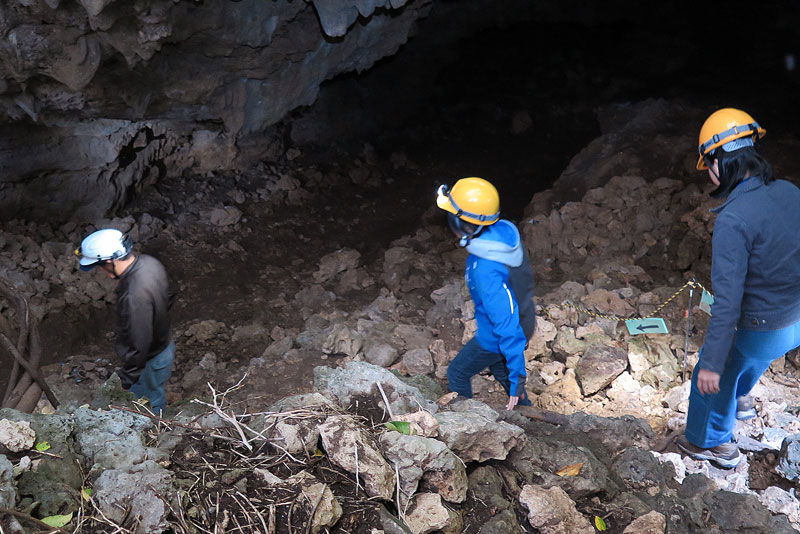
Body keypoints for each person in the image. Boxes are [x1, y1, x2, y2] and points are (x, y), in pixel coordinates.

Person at [676, 108, 800, 468]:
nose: (709, 175)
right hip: (794, 324)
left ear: (720, 160)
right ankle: (740, 397)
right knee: (748, 360)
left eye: (708, 164)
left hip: (764, 330)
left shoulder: (733, 218)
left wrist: (712, 363)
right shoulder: (789, 191)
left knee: (710, 376)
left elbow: (727, 304)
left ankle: (711, 444)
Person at [436, 177, 536, 411]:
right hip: (525, 317)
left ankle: (469, 421)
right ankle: (526, 411)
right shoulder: (503, 237)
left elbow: (506, 323)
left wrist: (518, 379)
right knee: (500, 367)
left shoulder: (485, 268)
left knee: (457, 373)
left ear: (465, 225)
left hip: (498, 334)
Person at [75, 228, 175, 414]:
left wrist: (128, 379)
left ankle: (155, 434)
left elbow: (140, 343)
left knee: (145, 403)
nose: (102, 271)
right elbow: (169, 295)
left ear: (110, 261)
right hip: (165, 347)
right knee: (156, 393)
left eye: (100, 266)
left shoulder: (133, 294)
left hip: (148, 361)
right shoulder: (149, 263)